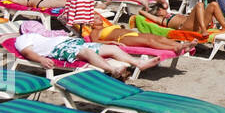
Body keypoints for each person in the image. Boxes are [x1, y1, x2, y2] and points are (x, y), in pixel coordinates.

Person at [14, 31, 158, 80]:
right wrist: (41, 59)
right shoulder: (22, 38)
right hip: (59, 48)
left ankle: (139, 64)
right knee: (87, 53)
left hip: (71, 42)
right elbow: (27, 52)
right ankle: (112, 70)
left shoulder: (40, 35)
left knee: (113, 49)